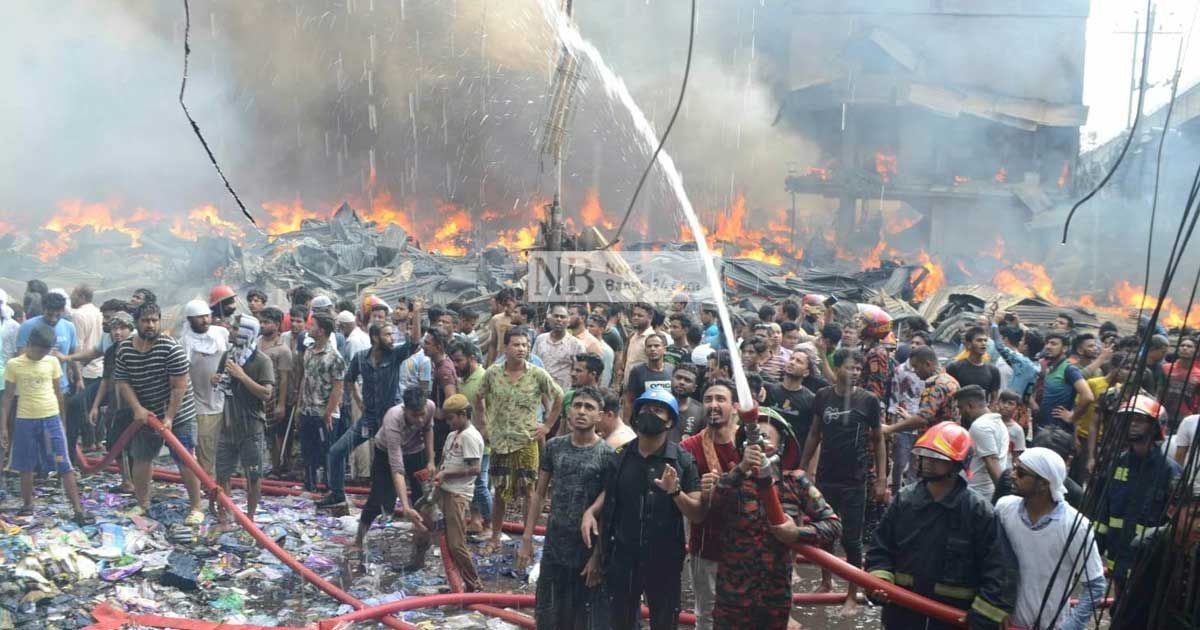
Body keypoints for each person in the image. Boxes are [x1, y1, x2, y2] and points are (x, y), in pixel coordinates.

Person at [867, 422, 1017, 629]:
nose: (927, 462)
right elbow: (880, 549)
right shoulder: (905, 501)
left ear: (958, 465)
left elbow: (999, 570)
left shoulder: (977, 511)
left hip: (951, 620)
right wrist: (880, 580)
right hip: (902, 615)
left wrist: (982, 617)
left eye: (937, 458)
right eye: (925, 455)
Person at [708, 408, 843, 629]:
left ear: (781, 444)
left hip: (775, 597)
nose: (759, 444)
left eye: (766, 437)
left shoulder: (795, 483)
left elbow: (833, 525)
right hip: (732, 597)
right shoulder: (732, 480)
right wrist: (742, 468)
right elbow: (711, 506)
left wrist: (797, 533)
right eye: (753, 439)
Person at [581, 388, 704, 630]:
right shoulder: (619, 457)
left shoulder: (682, 461)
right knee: (621, 621)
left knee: (664, 621)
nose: (650, 414)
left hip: (664, 560)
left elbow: (697, 513)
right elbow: (609, 508)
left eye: (658, 410)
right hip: (622, 558)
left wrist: (675, 492)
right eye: (645, 409)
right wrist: (597, 555)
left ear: (670, 421)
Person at [518, 385, 614, 629]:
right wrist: (527, 538)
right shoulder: (555, 447)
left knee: (581, 616)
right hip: (554, 544)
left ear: (599, 416)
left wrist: (597, 557)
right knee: (548, 611)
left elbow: (609, 510)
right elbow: (539, 494)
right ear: (569, 412)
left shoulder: (608, 455)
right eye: (577, 406)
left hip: (586, 547)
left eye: (589, 407)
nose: (582, 411)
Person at [801, 348, 887, 616]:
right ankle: (826, 582)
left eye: (858, 369)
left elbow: (879, 439)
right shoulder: (823, 396)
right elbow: (814, 434)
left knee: (852, 540)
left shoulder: (869, 401)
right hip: (827, 476)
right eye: (850, 368)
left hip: (856, 479)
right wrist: (802, 469)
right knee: (825, 534)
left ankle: (852, 593)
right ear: (837, 369)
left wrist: (882, 477)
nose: (855, 373)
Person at [474, 327, 563, 552]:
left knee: (529, 491)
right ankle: (495, 537)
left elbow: (560, 396)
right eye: (516, 344)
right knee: (500, 492)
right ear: (506, 347)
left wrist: (547, 426)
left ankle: (527, 537)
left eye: (525, 345)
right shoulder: (492, 373)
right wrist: (484, 425)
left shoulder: (537, 374)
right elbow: (478, 396)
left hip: (526, 442)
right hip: (500, 443)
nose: (521, 349)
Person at [996, 447, 1105, 630]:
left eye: (1021, 473)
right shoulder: (1004, 508)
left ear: (1043, 484)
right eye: (1014, 468)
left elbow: (1095, 586)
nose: (1012, 475)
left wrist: (1071, 627)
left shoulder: (1074, 525)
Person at [114, 302, 204, 524]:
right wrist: (137, 408)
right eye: (145, 321)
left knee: (185, 459)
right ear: (137, 323)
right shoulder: (125, 349)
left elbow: (179, 386)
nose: (150, 325)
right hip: (145, 414)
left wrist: (170, 418)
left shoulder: (170, 347)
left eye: (154, 320)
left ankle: (195, 507)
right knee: (141, 457)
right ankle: (142, 503)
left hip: (179, 413)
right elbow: (123, 382)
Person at [0, 324, 93, 524]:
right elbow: (7, 398)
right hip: (25, 421)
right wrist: (3, 427)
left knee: (64, 464)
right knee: (26, 465)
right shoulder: (14, 365)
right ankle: (27, 505)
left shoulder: (52, 362)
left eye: (46, 350)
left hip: (51, 419)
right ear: (29, 344)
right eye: (39, 350)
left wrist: (63, 422)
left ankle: (77, 509)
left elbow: (59, 394)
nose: (42, 354)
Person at [321, 319, 416, 508]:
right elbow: (349, 379)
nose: (391, 339)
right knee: (336, 451)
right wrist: (358, 400)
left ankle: (390, 507)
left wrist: (417, 313)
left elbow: (413, 344)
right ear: (375, 337)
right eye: (387, 335)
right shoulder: (361, 357)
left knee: (392, 464)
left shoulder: (394, 355)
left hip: (391, 420)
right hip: (369, 419)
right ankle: (337, 494)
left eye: (392, 334)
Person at [1095, 394, 1181, 598]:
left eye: (1139, 420)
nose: (1132, 425)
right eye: (1129, 420)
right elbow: (1104, 511)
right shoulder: (1117, 464)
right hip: (1118, 557)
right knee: (1119, 610)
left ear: (1155, 426)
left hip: (1149, 563)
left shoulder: (1170, 472)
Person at [679, 379, 743, 630]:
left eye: (720, 399)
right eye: (708, 399)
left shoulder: (750, 443)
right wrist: (702, 494)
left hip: (748, 547)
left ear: (735, 406)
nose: (714, 405)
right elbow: (688, 507)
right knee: (706, 614)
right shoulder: (689, 447)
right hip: (706, 545)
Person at [411, 394, 484, 588]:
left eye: (452, 418)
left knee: (456, 544)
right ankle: (416, 562)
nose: (449, 423)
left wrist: (447, 474)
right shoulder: (453, 435)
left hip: (457, 494)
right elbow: (446, 459)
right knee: (422, 521)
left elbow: (475, 469)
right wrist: (436, 472)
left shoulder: (470, 436)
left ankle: (474, 584)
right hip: (443, 489)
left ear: (463, 414)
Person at [212, 316, 275, 527]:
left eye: (237, 328)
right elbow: (220, 379)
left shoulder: (261, 361)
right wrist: (216, 380)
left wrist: (242, 376)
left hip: (251, 426)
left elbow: (266, 394)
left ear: (246, 333)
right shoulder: (228, 356)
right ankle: (225, 513)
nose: (231, 330)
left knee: (253, 474)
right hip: (228, 424)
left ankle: (250, 517)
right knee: (222, 473)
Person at [351, 386, 429, 552]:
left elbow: (428, 429)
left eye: (422, 414)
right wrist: (405, 507)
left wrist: (431, 461)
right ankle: (358, 541)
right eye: (415, 415)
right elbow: (397, 469)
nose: (420, 419)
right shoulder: (393, 419)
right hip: (386, 451)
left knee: (422, 497)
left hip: (415, 450)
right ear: (405, 409)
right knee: (377, 498)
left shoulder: (429, 406)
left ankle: (420, 541)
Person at [179, 299, 229, 478]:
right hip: (199, 406)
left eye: (207, 316)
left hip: (222, 401)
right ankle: (207, 486)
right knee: (203, 449)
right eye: (200, 318)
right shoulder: (185, 342)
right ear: (190, 320)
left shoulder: (221, 334)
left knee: (221, 450)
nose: (205, 320)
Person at [297, 314, 347, 492]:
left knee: (327, 451)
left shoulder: (334, 357)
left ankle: (329, 487)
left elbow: (338, 387)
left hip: (325, 413)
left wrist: (328, 413)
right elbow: (305, 378)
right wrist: (299, 406)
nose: (309, 329)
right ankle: (309, 484)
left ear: (322, 331)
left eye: (312, 326)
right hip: (308, 410)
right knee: (307, 450)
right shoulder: (309, 351)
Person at [89, 310, 137, 493]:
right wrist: (95, 406)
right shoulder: (110, 352)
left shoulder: (137, 349)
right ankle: (127, 481)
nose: (117, 332)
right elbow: (105, 379)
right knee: (114, 443)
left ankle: (137, 482)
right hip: (115, 405)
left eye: (122, 328)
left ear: (130, 329)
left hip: (134, 405)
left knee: (135, 445)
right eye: (114, 329)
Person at [450, 340, 491, 538]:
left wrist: (482, 439)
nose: (456, 365)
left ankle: (490, 526)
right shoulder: (464, 380)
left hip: (481, 441)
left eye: (459, 360)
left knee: (481, 485)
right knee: (475, 484)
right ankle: (476, 521)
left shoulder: (483, 378)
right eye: (454, 361)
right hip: (470, 440)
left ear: (471, 358)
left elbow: (487, 413)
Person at [884, 346, 960, 437]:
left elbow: (922, 419)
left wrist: (889, 429)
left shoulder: (934, 385)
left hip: (937, 442)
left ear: (927, 364)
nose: (915, 371)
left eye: (916, 367)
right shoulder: (950, 380)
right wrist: (910, 419)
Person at [256, 307, 294, 478]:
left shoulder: (283, 350)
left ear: (277, 325)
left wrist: (281, 404)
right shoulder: (256, 342)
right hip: (257, 395)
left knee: (276, 433)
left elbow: (285, 378)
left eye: (266, 322)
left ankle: (279, 467)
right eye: (261, 322)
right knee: (263, 434)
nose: (262, 325)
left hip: (275, 396)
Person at [956, 385, 1010, 503]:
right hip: (981, 493)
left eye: (960, 408)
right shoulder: (997, 422)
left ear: (970, 405)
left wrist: (1004, 498)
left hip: (977, 495)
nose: (960, 413)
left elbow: (992, 461)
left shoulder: (980, 426)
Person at [1036, 332, 1093, 435]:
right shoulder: (1050, 367)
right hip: (1044, 427)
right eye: (1047, 343)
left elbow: (1088, 396)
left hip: (1059, 432)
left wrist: (1072, 417)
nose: (1048, 346)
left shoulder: (1069, 369)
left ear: (1064, 349)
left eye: (1053, 344)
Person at [764, 351, 816, 447]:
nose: (792, 362)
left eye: (798, 361)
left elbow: (814, 434)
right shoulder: (769, 390)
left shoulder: (811, 399)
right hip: (768, 449)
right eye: (791, 358)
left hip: (794, 454)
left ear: (806, 372)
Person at [532, 305, 586, 391]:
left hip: (563, 392)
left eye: (563, 317)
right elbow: (533, 364)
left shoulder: (576, 345)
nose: (559, 319)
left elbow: (580, 372)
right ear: (549, 318)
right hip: (539, 391)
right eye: (556, 316)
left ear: (568, 321)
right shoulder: (540, 339)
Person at [622, 332, 674, 422]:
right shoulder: (637, 371)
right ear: (645, 350)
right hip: (643, 421)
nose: (652, 349)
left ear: (664, 349)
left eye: (656, 346)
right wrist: (626, 423)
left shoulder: (672, 370)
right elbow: (629, 400)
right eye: (649, 346)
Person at [947, 326, 1001, 402]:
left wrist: (988, 412)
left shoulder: (993, 371)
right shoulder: (954, 367)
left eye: (985, 340)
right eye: (979, 340)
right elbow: (948, 395)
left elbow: (994, 398)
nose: (983, 343)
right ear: (969, 344)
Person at [857, 306, 894, 402]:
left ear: (871, 328)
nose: (858, 324)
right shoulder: (865, 349)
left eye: (864, 322)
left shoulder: (877, 353)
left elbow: (876, 388)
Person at [1163, 336, 1200, 421]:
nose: (1185, 348)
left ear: (1196, 352)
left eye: (1189, 346)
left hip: (1185, 418)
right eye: (1182, 345)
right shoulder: (1165, 369)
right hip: (1163, 414)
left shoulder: (1198, 375)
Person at [620, 302, 657, 385]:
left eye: (640, 316)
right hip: (627, 386)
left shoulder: (652, 339)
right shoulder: (633, 336)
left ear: (650, 317)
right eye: (634, 315)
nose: (635, 318)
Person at [668, 363, 705, 442]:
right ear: (671, 380)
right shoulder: (657, 404)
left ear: (694, 388)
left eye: (687, 380)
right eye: (678, 378)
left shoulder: (701, 411)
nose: (681, 382)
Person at [584, 314, 616, 387]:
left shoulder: (606, 350)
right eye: (587, 326)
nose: (588, 329)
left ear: (601, 329)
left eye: (591, 326)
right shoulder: (584, 344)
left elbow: (606, 375)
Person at [996, 390, 1026, 461]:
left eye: (1010, 404)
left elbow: (1017, 454)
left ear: (1017, 408)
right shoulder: (988, 421)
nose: (1005, 406)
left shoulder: (1017, 430)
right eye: (1003, 402)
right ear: (998, 402)